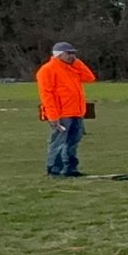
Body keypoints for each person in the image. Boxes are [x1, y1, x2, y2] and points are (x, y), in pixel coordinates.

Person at [36, 41, 96, 178]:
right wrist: (53, 116)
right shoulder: (47, 70)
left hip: (77, 112)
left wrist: (77, 63)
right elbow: (47, 95)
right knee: (58, 142)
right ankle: (54, 170)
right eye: (69, 53)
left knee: (73, 142)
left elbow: (90, 78)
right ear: (59, 54)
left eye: (73, 53)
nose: (72, 56)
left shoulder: (73, 68)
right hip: (61, 114)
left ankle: (70, 168)